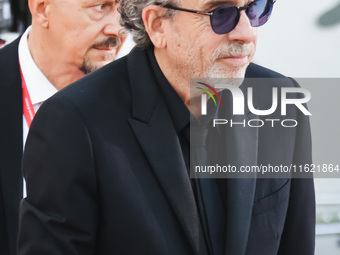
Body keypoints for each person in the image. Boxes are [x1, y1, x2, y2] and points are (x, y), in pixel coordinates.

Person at [18, 0, 315, 254]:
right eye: (219, 13)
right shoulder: (74, 121)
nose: (247, 33)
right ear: (158, 24)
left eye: (255, 9)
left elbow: (297, 242)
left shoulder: (280, 97)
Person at [0, 0, 135, 254]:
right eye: (100, 7)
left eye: (125, 9)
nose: (118, 28)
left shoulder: (193, 95)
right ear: (42, 9)